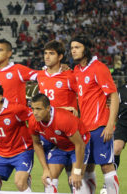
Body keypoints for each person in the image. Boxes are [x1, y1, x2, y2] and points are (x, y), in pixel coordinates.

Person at [71, 35, 119, 194]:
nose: (73, 50)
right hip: (84, 128)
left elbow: (113, 96)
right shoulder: (77, 71)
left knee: (106, 165)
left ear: (86, 49)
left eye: (77, 47)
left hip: (100, 126)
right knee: (88, 166)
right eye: (71, 48)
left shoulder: (98, 67)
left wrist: (110, 125)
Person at [37, 40, 78, 191]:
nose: (47, 57)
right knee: (50, 177)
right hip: (49, 132)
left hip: (69, 132)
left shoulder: (70, 76)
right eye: (45, 53)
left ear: (60, 56)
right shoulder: (40, 76)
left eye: (51, 53)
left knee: (74, 178)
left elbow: (84, 95)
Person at [29, 93, 91, 193]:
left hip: (78, 146)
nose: (35, 112)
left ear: (48, 108)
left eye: (38, 109)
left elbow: (79, 145)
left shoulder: (63, 119)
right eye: (33, 109)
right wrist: (45, 169)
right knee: (48, 180)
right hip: (60, 147)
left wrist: (77, 172)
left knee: (76, 181)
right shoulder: (33, 121)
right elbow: (37, 144)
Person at [0, 83, 34, 192]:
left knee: (20, 183)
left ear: (0, 98)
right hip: (2, 153)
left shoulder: (16, 109)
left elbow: (36, 116)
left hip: (22, 151)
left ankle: (26, 179)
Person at [0, 39, 37, 106]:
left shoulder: (18, 69)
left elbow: (42, 76)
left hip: (15, 114)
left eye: (0, 50)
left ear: (9, 54)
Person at [114, 84, 127, 170]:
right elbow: (115, 108)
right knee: (116, 149)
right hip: (123, 122)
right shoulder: (120, 90)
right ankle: (112, 180)